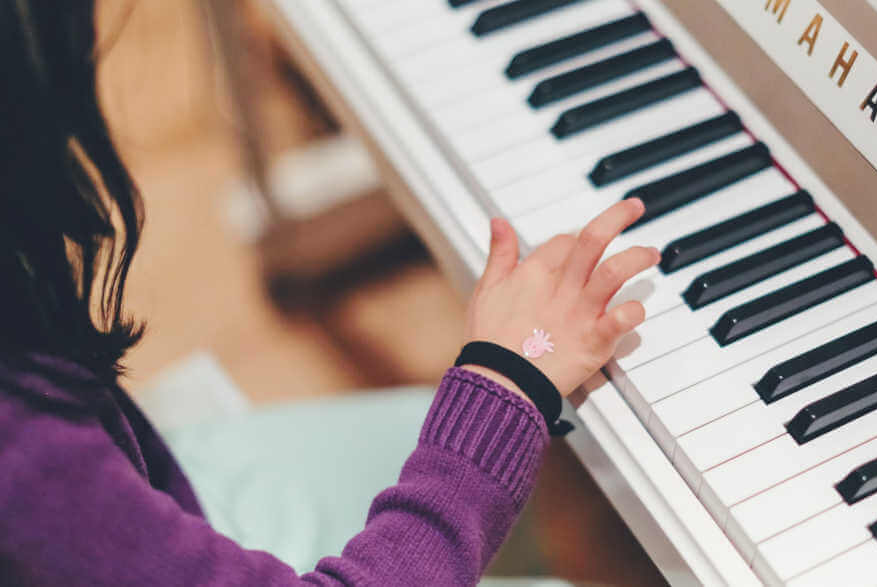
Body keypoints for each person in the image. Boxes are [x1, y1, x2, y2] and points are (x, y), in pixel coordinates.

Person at [0, 2, 661, 586]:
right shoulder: (23, 451)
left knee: (484, 456)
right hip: (120, 506)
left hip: (145, 487)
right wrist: (509, 374)